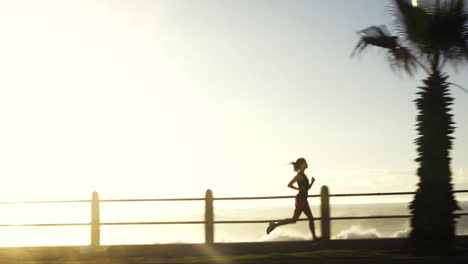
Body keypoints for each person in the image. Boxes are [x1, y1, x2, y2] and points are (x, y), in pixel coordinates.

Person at [266, 157, 318, 241]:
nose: (307, 164)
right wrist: (298, 189)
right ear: (301, 165)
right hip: (301, 200)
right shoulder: (299, 175)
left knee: (294, 220)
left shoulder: (304, 175)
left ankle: (274, 225)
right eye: (305, 163)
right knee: (310, 218)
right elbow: (289, 184)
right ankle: (314, 238)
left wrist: (312, 183)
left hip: (303, 199)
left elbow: (306, 188)